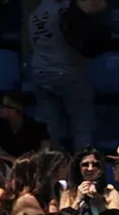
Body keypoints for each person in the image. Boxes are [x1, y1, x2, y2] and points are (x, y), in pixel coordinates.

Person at [29, 0, 101, 151]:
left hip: (41, 73)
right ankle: (84, 161)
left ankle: (51, 164)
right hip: (69, 73)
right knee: (82, 127)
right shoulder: (68, 9)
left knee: (49, 129)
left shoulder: (36, 12)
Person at [0, 95, 51, 167]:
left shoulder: (36, 126)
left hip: (30, 167)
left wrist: (31, 159)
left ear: (14, 110)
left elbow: (46, 147)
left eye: (2, 106)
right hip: (4, 168)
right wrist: (13, 160)